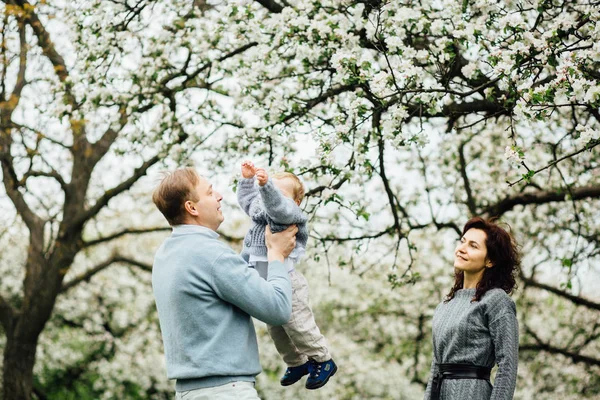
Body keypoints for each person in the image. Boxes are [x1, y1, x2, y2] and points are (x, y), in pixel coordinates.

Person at [151, 167, 297, 400]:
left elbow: (225, 279)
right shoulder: (211, 255)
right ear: (192, 208)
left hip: (188, 393)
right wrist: (277, 254)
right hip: (226, 392)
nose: (219, 196)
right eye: (209, 193)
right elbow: (278, 308)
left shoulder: (165, 255)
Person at [236, 160, 337, 390]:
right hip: (268, 282)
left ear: (296, 201)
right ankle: (296, 362)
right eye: (269, 189)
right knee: (276, 328)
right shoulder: (261, 211)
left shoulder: (290, 213)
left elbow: (278, 206)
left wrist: (266, 187)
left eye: (278, 191)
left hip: (289, 283)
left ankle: (323, 359)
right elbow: (249, 201)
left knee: (298, 325)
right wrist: (247, 181)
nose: (269, 194)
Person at [424, 217, 520, 400]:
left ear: (490, 260)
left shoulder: (496, 301)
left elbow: (508, 364)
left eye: (473, 246)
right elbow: (436, 365)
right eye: (462, 242)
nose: (462, 249)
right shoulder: (445, 305)